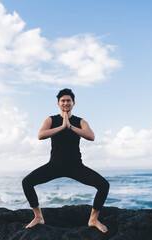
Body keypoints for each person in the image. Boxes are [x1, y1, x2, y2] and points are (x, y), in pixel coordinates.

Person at [22, 88, 110, 233]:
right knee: (27, 182)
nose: (66, 103)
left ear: (73, 103)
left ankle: (93, 219)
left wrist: (70, 126)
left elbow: (91, 136)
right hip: (54, 165)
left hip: (76, 166)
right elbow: (41, 135)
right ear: (58, 103)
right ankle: (38, 216)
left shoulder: (80, 121)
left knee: (103, 185)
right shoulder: (51, 120)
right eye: (63, 100)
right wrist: (62, 127)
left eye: (68, 100)